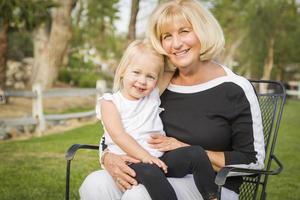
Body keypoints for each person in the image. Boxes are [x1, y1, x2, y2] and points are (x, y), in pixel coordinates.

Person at [79, 0, 265, 199]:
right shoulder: (156, 86)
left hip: (213, 184)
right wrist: (107, 157)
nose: (176, 44)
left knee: (139, 196)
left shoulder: (234, 89)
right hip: (157, 170)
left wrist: (188, 149)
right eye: (167, 36)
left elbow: (253, 161)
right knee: (95, 184)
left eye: (184, 31)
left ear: (203, 31)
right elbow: (120, 127)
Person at [97, 39, 218, 200]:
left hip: (161, 159)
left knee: (196, 153)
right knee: (151, 172)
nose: (142, 81)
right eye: (136, 72)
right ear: (122, 71)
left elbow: (173, 63)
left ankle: (212, 196)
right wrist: (145, 157)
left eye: (150, 76)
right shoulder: (110, 102)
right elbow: (119, 136)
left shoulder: (152, 94)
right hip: (132, 161)